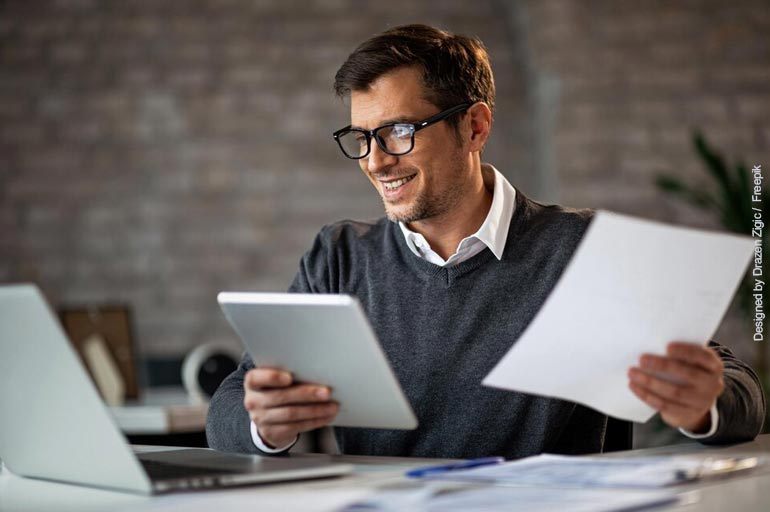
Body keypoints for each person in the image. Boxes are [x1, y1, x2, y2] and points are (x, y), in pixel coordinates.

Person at [206, 24, 765, 459]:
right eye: (361, 137)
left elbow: (739, 392)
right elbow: (228, 409)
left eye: (399, 132)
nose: (376, 161)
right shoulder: (339, 258)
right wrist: (263, 421)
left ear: (474, 127)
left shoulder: (582, 248)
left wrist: (702, 404)